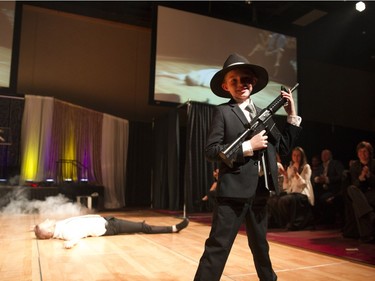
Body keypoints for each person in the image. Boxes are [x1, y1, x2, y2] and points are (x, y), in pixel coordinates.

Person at [194, 53, 302, 281]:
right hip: (232, 193)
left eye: (245, 79)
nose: (241, 84)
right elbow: (211, 151)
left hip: (260, 193)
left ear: (252, 83)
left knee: (261, 249)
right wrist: (247, 146)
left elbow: (283, 149)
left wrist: (291, 114)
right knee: (217, 248)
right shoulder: (223, 112)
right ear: (225, 86)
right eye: (234, 80)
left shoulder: (266, 114)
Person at [33, 214, 189, 249]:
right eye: (45, 225)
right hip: (110, 227)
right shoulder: (65, 232)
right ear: (48, 232)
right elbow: (74, 239)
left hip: (107, 220)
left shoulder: (59, 226)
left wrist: (35, 230)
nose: (47, 222)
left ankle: (172, 228)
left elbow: (46, 224)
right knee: (142, 227)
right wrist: (70, 244)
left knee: (141, 227)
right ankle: (173, 229)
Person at [277, 146, 315, 230]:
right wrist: (285, 176)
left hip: (303, 194)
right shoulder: (290, 168)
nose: (296, 158)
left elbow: (304, 184)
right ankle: (284, 222)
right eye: (294, 155)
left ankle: (293, 224)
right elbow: (287, 187)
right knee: (277, 199)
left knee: (286, 200)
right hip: (293, 193)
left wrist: (297, 174)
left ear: (302, 156)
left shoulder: (306, 167)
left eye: (298, 155)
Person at [345, 141, 375, 243]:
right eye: (360, 152)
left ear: (369, 153)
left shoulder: (374, 164)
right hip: (360, 194)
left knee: (357, 205)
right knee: (351, 189)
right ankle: (370, 214)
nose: (362, 154)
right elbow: (355, 185)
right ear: (358, 154)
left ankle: (366, 235)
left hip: (372, 193)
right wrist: (361, 178)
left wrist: (369, 175)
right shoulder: (355, 166)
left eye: (365, 151)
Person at [313, 149, 345, 226]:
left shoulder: (336, 164)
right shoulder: (320, 167)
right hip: (321, 189)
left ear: (330, 156)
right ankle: (319, 219)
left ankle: (328, 220)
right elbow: (314, 176)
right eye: (322, 155)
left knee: (323, 198)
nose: (323, 156)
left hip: (333, 189)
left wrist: (327, 179)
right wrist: (317, 179)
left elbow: (341, 176)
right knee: (312, 196)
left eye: (326, 155)